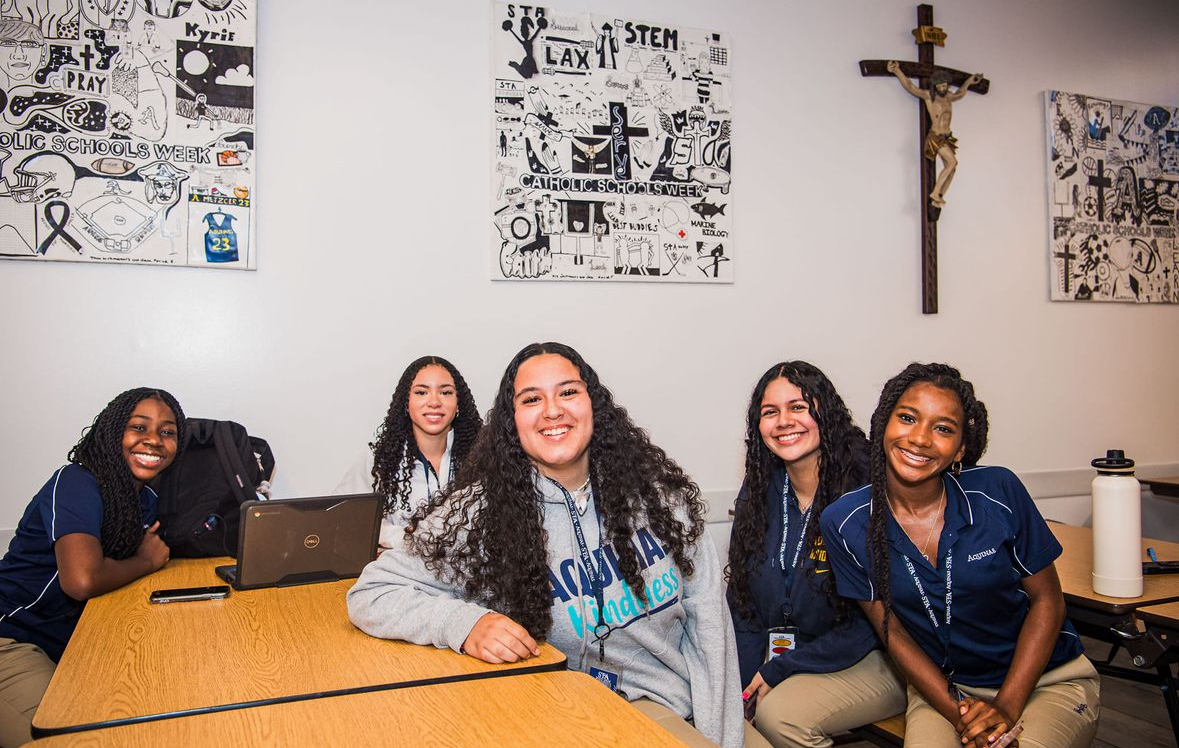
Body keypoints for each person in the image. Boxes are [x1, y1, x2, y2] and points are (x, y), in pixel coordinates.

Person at [348, 342, 747, 748]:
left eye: (568, 392)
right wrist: (465, 624)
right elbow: (373, 593)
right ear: (512, 421)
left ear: (594, 405)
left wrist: (722, 738)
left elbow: (711, 631)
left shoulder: (661, 498)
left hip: (674, 704)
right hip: (558, 716)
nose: (553, 410)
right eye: (532, 399)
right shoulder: (479, 511)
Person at [820, 363, 1100, 748]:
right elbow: (894, 633)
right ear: (883, 423)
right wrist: (962, 715)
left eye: (943, 428)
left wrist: (1005, 708)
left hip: (1044, 680)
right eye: (906, 418)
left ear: (961, 448)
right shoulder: (843, 522)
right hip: (944, 691)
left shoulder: (997, 491)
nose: (919, 438)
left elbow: (1048, 601)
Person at [728, 362, 905, 748]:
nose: (783, 421)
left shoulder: (869, 491)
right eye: (770, 412)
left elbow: (874, 621)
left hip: (877, 654)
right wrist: (745, 681)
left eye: (798, 407)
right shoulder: (760, 490)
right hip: (792, 658)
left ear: (825, 411)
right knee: (724, 712)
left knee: (778, 719)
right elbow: (743, 602)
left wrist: (781, 670)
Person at [0, 387, 184, 746]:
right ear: (113, 432)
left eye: (167, 432)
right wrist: (145, 561)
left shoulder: (143, 498)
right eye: (139, 427)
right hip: (11, 640)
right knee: (65, 740)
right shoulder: (76, 482)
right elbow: (81, 581)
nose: (154, 440)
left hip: (68, 648)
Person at [335, 356, 481, 554]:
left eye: (445, 392)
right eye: (421, 392)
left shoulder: (481, 458)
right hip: (399, 577)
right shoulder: (378, 459)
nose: (434, 402)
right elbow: (343, 517)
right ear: (406, 403)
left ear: (458, 405)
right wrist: (401, 538)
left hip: (465, 577)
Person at [886, 61, 982, 209]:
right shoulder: (928, 96)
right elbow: (911, 87)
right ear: (935, 86)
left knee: (952, 169)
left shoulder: (949, 97)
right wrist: (897, 71)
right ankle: (935, 193)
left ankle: (939, 197)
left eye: (944, 86)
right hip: (936, 136)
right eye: (939, 86)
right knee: (952, 163)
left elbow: (960, 93)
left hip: (947, 137)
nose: (942, 88)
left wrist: (969, 81)